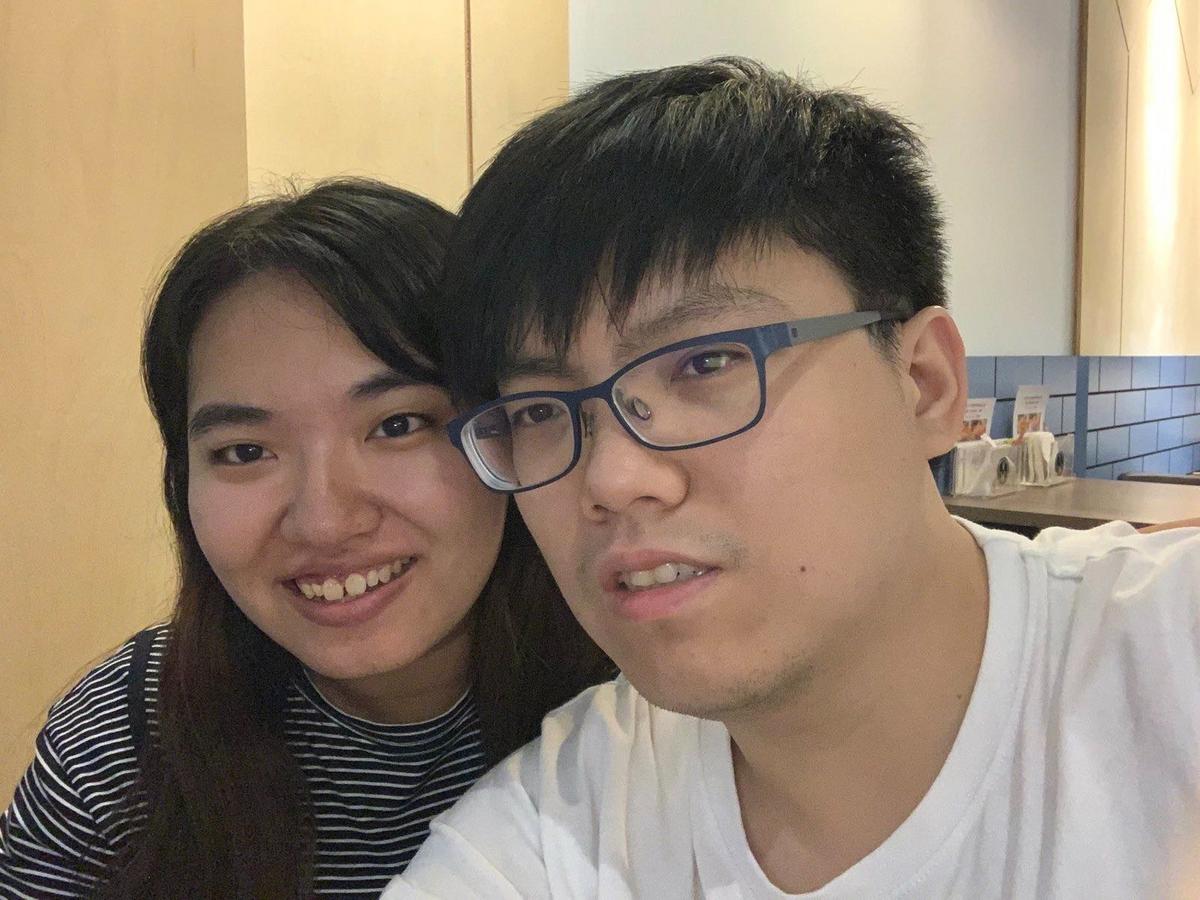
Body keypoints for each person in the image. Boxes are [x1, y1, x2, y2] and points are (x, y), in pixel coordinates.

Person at [385, 59, 1200, 898]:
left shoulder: (1167, 657)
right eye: (538, 411)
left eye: (706, 362)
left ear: (924, 384)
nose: (614, 478)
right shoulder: (558, 829)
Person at [0, 179, 612, 898]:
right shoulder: (129, 739)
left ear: (509, 430)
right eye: (245, 451)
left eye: (397, 425)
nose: (324, 521)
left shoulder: (645, 698)